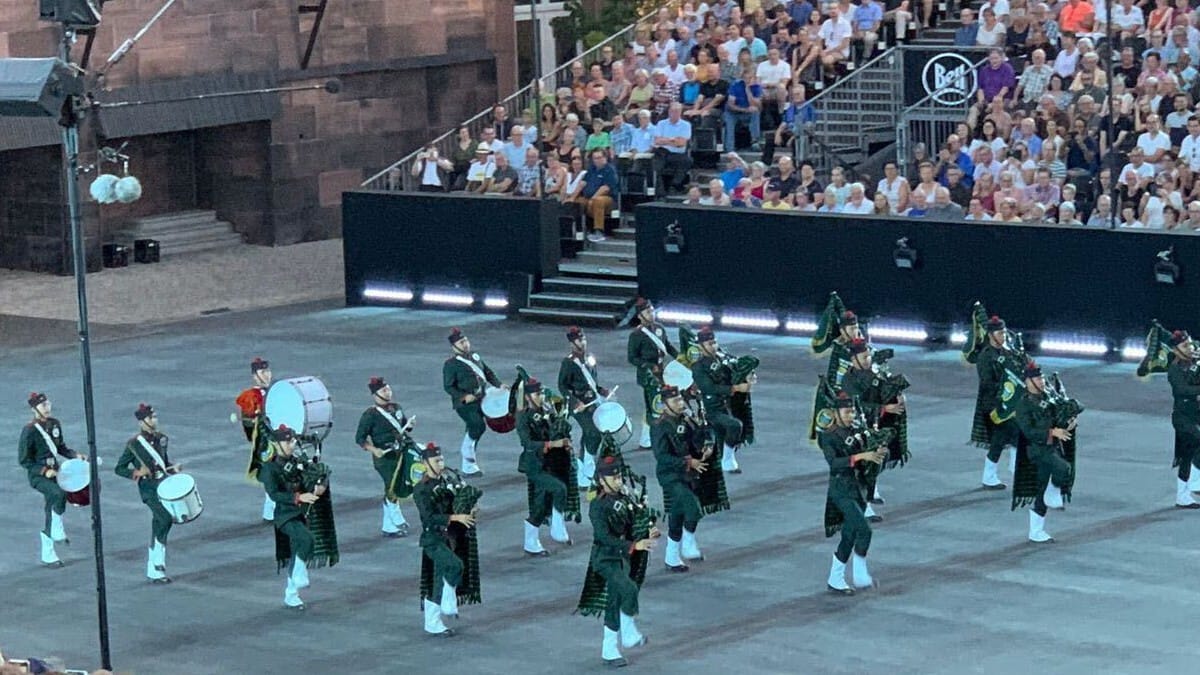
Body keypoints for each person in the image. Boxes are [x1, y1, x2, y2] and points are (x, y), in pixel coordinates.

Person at [578, 454, 657, 667]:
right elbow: (603, 536)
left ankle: (609, 650)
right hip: (606, 557)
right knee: (628, 589)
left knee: (614, 601)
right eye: (613, 477)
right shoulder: (598, 505)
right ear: (601, 479)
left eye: (619, 476)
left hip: (622, 558)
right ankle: (628, 631)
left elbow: (633, 521)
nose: (618, 480)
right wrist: (633, 545)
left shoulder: (624, 497)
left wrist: (648, 529)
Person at [259, 425, 336, 610]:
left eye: (292, 441)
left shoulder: (297, 461)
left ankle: (291, 594)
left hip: (301, 513)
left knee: (297, 551)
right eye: (287, 442)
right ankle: (299, 575)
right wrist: (298, 497)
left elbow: (317, 472)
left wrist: (320, 485)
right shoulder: (269, 468)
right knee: (306, 539)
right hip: (285, 515)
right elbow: (274, 494)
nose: (292, 445)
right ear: (276, 445)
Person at [819, 393, 886, 595]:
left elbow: (869, 447)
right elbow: (834, 463)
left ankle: (835, 579)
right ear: (836, 413)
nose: (851, 415)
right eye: (847, 412)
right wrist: (860, 456)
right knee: (864, 530)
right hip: (841, 490)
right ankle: (860, 574)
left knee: (849, 536)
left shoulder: (857, 430)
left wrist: (877, 452)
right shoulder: (828, 435)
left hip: (859, 489)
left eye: (852, 412)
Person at [413, 443, 483, 637]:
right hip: (433, 539)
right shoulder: (421, 489)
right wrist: (455, 517)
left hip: (451, 537)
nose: (441, 464)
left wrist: (469, 509)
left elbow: (456, 503)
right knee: (454, 566)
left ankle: (433, 622)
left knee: (437, 580)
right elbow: (429, 518)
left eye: (442, 459)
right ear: (425, 463)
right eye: (436, 461)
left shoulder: (448, 481)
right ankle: (447, 599)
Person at [840, 338, 910, 521]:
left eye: (868, 357)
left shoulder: (874, 374)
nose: (868, 361)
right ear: (853, 359)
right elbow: (856, 406)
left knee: (879, 460)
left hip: (875, 425)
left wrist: (897, 396)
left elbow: (884, 391)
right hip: (857, 429)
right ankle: (864, 507)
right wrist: (884, 409)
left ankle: (871, 490)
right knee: (864, 466)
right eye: (864, 358)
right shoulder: (848, 380)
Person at [652, 385, 719, 573]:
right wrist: (688, 462)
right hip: (671, 475)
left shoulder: (688, 419)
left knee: (677, 514)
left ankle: (671, 558)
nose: (680, 403)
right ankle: (688, 543)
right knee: (692, 507)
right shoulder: (659, 426)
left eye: (681, 399)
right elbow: (662, 456)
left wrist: (707, 445)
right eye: (675, 401)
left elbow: (704, 433)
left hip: (690, 474)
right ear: (665, 404)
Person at [114, 404, 181, 584]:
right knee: (165, 519)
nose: (154, 420)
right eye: (151, 418)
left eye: (155, 417)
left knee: (160, 522)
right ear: (141, 422)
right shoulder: (134, 445)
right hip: (149, 489)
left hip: (164, 486)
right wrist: (136, 472)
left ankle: (155, 567)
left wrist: (173, 468)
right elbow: (119, 468)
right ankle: (157, 564)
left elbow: (163, 463)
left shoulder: (162, 439)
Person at [18, 392, 86, 568]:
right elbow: (24, 460)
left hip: (56, 472)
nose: (47, 408)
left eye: (48, 404)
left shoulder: (55, 424)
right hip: (39, 476)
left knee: (52, 507)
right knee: (58, 493)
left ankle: (48, 554)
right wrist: (43, 471)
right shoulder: (30, 430)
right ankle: (57, 530)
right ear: (34, 409)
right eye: (43, 406)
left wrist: (75, 455)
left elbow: (60, 448)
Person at [1013, 362, 1077, 543]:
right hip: (1037, 450)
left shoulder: (1048, 397)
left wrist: (1068, 423)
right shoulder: (1023, 405)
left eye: (1041, 378)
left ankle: (1036, 531)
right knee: (1063, 469)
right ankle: (1053, 489)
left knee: (1040, 490)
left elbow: (1057, 417)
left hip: (1052, 447)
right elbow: (1029, 431)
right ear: (1028, 381)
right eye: (1037, 378)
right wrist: (1052, 432)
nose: (1041, 381)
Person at [356, 376, 422, 538]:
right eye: (384, 390)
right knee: (392, 486)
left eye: (388, 389)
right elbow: (360, 438)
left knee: (401, 483)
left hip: (402, 451)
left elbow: (403, 426)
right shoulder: (370, 415)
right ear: (375, 394)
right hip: (385, 457)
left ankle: (388, 526)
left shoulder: (396, 408)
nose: (388, 392)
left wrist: (410, 426)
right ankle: (395, 515)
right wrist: (374, 450)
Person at [966, 313, 1027, 489]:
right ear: (991, 335)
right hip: (993, 405)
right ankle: (1014, 469)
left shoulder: (1007, 352)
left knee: (1001, 440)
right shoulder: (985, 356)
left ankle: (991, 476)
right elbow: (987, 383)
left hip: (1009, 403)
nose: (1003, 336)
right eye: (1000, 333)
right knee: (1013, 433)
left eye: (1004, 333)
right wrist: (1007, 387)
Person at [516, 378, 576, 555]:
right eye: (537, 394)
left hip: (552, 462)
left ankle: (531, 542)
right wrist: (552, 444)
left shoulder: (547, 409)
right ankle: (557, 527)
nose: (541, 397)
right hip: (535, 465)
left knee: (541, 504)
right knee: (559, 489)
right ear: (527, 397)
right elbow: (527, 443)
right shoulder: (523, 416)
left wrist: (564, 440)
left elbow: (554, 430)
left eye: (541, 393)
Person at [691, 326, 755, 474]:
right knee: (734, 426)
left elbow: (737, 368)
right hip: (712, 407)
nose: (713, 346)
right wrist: (736, 388)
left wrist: (747, 375)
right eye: (709, 344)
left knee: (726, 435)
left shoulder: (723, 357)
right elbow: (709, 388)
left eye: (714, 342)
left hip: (729, 404)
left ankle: (722, 458)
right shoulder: (698, 367)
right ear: (700, 347)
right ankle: (727, 460)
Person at [443, 327, 504, 476]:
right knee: (477, 426)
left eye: (466, 341)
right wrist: (463, 396)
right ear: (454, 346)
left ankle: (468, 465)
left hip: (481, 398)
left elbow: (487, 373)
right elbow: (448, 386)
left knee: (473, 428)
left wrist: (499, 384)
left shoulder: (475, 356)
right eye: (461, 342)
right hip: (465, 404)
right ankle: (466, 453)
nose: (465, 344)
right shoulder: (451, 364)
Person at [558, 326, 612, 488]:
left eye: (584, 339)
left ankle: (582, 468)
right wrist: (575, 402)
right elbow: (562, 386)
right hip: (579, 405)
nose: (583, 342)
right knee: (593, 433)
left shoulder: (589, 358)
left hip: (593, 401)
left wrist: (601, 390)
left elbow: (592, 382)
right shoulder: (568, 363)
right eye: (579, 340)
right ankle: (588, 470)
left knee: (591, 433)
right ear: (572, 343)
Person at [627, 297, 679, 449]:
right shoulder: (636, 335)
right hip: (648, 376)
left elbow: (667, 346)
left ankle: (651, 438)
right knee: (654, 406)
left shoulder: (659, 328)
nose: (651, 314)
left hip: (662, 372)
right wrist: (649, 365)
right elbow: (632, 358)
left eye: (652, 311)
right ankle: (649, 439)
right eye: (647, 312)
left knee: (659, 405)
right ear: (640, 316)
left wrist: (680, 359)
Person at [235, 356, 276, 521]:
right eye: (262, 372)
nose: (267, 375)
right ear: (254, 375)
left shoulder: (276, 391)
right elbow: (250, 430)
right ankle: (270, 511)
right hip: (266, 442)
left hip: (278, 440)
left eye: (268, 371)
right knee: (272, 475)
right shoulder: (250, 397)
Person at [1165, 331, 1200, 507]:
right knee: (1195, 445)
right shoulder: (1174, 370)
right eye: (1185, 346)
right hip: (1182, 417)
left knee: (1188, 455)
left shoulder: (1194, 364)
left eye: (1190, 345)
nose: (1190, 348)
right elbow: (1183, 389)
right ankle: (1193, 484)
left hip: (1195, 415)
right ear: (1176, 350)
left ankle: (1184, 494)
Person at [582, 149, 619, 243]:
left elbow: (605, 188)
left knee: (598, 201)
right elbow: (583, 183)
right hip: (589, 196)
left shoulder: (610, 170)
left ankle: (599, 231)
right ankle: (580, 230)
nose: (597, 160)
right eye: (595, 158)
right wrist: (572, 196)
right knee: (576, 202)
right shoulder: (591, 169)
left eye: (599, 157)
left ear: (605, 158)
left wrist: (593, 198)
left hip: (608, 199)